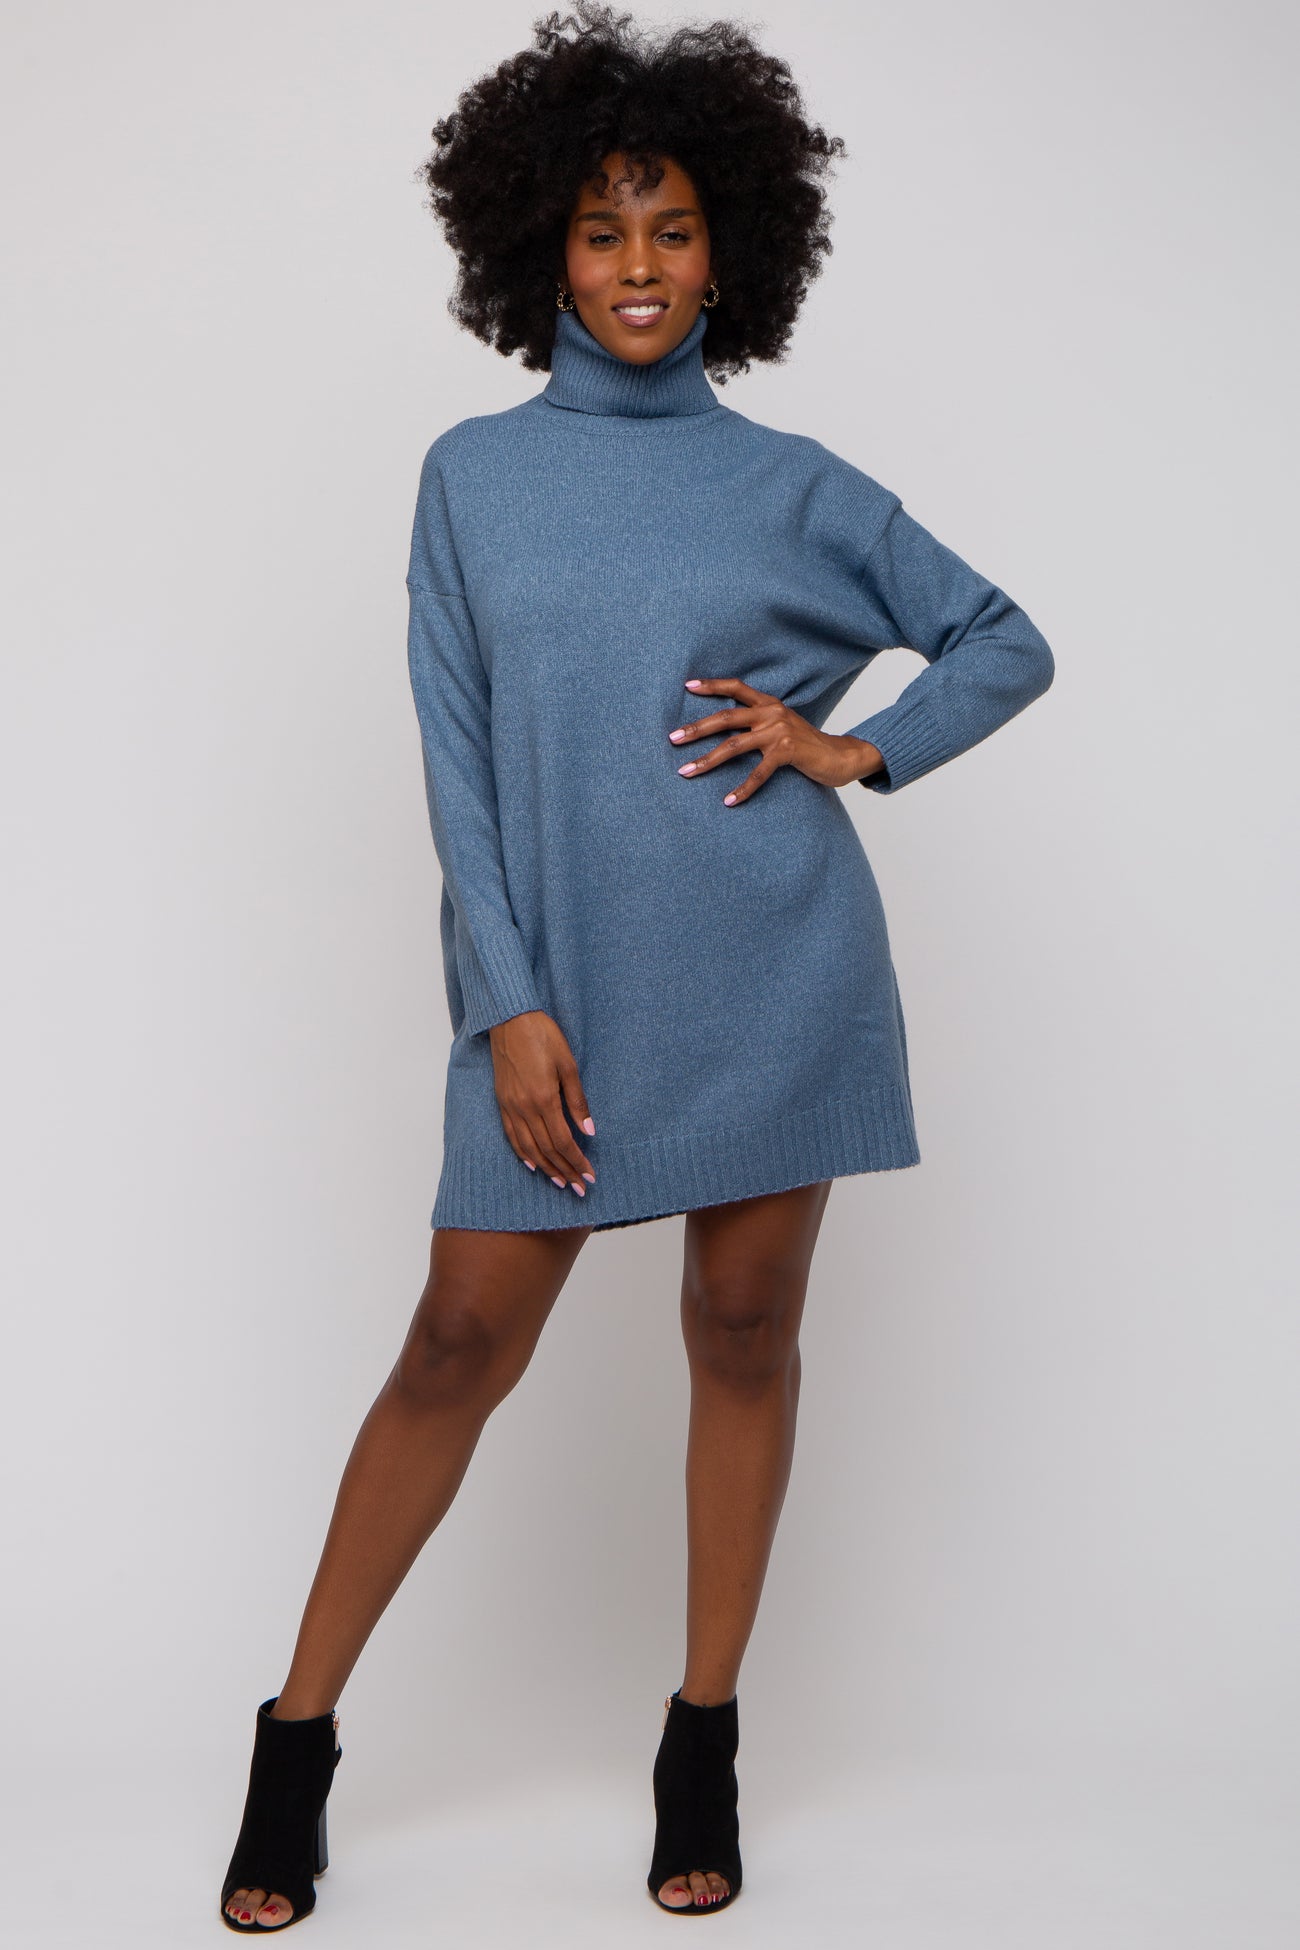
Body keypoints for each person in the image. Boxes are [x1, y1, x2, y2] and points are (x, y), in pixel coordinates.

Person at [218, 2, 1054, 1931]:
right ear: (542, 250)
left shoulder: (792, 483)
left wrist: (853, 748)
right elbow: (458, 763)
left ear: (729, 252)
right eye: (603, 232)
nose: (640, 267)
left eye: (673, 230)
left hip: (774, 971)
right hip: (554, 994)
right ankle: (295, 1737)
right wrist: (507, 1003)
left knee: (743, 1331)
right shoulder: (470, 475)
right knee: (456, 1343)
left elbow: (1001, 636)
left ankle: (701, 1733)